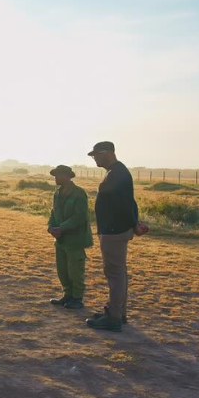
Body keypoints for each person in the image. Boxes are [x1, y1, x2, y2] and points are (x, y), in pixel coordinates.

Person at [85, 141, 142, 332]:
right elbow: (130, 202)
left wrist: (133, 223)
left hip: (114, 231)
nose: (94, 158)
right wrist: (134, 223)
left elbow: (125, 205)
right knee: (119, 272)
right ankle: (118, 313)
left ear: (108, 152)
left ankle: (114, 317)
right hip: (114, 229)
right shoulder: (118, 172)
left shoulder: (117, 173)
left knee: (115, 273)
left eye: (96, 155)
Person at [47, 165, 93, 310]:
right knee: (62, 270)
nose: (55, 178)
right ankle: (67, 295)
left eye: (58, 175)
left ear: (67, 176)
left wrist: (61, 228)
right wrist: (51, 227)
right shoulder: (57, 193)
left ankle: (77, 298)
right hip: (60, 239)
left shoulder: (79, 193)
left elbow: (80, 216)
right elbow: (53, 212)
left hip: (75, 238)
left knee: (75, 270)